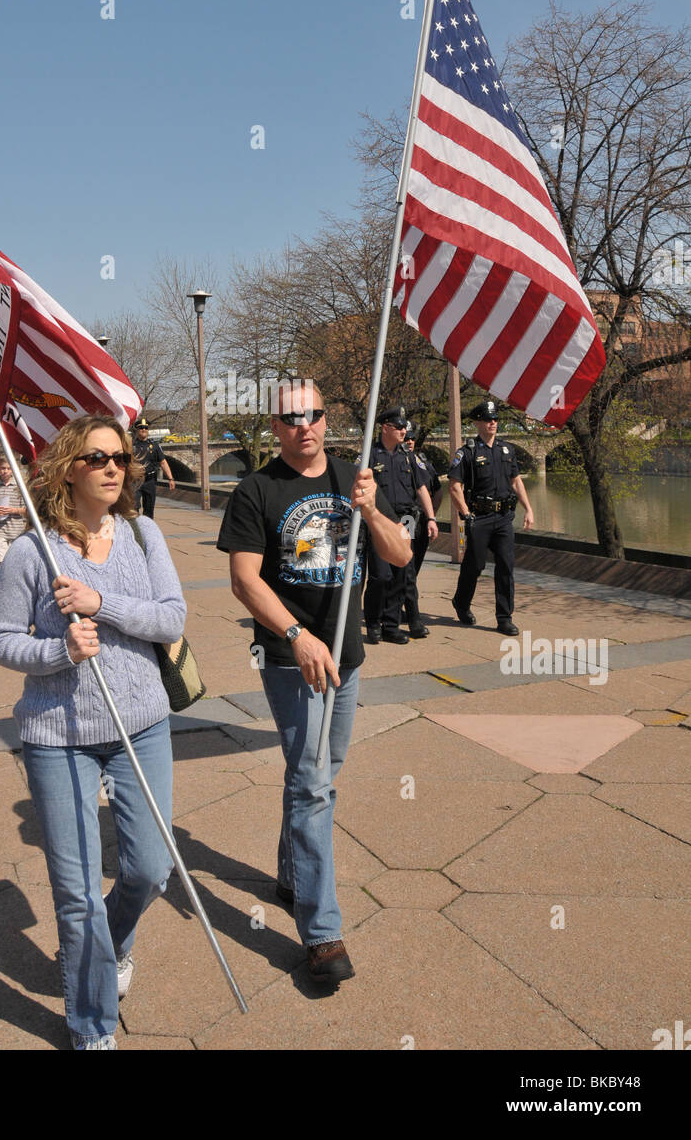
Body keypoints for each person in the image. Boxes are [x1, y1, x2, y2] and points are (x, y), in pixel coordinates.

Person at [0, 414, 185, 1050]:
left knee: (152, 869)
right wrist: (57, 653)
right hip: (58, 734)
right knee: (75, 895)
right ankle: (91, 1025)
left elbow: (172, 616)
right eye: (98, 458)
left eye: (120, 458)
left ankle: (113, 944)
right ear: (68, 467)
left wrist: (103, 605)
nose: (112, 468)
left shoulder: (142, 533)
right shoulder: (30, 551)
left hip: (143, 725)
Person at [217, 382, 410, 986]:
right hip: (288, 658)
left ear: (328, 419)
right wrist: (298, 636)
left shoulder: (355, 480)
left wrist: (372, 511)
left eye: (314, 414)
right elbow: (245, 581)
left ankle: (291, 873)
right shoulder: (256, 490)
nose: (304, 425)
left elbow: (401, 557)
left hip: (347, 658)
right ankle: (322, 932)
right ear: (275, 426)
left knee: (323, 770)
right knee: (313, 785)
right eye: (290, 417)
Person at [448, 399, 535, 636]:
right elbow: (455, 487)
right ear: (477, 422)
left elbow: (516, 481)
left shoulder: (506, 450)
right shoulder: (467, 452)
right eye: (488, 419)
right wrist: (466, 514)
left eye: (495, 419)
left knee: (506, 567)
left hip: (504, 517)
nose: (492, 423)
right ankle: (461, 603)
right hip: (480, 518)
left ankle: (504, 617)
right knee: (474, 566)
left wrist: (528, 508)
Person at [363, 406, 439, 643]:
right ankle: (374, 622)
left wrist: (431, 518)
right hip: (379, 521)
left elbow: (421, 488)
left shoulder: (408, 456)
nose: (404, 431)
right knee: (380, 575)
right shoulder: (369, 456)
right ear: (385, 428)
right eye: (399, 427)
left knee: (401, 575)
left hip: (405, 521)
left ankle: (391, 626)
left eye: (405, 427)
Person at [404, 424, 443, 575]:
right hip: (405, 518)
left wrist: (431, 517)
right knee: (404, 564)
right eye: (407, 438)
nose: (410, 442)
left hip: (421, 519)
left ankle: (409, 596)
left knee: (415, 565)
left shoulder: (424, 464)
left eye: (412, 438)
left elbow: (438, 492)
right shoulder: (394, 462)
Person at [131, 419, 175, 517]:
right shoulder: (130, 445)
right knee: (133, 508)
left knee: (149, 509)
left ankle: (148, 530)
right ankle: (136, 530)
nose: (144, 430)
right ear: (137, 430)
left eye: (146, 428)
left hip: (149, 481)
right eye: (141, 428)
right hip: (135, 480)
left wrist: (170, 478)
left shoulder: (154, 445)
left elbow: (163, 462)